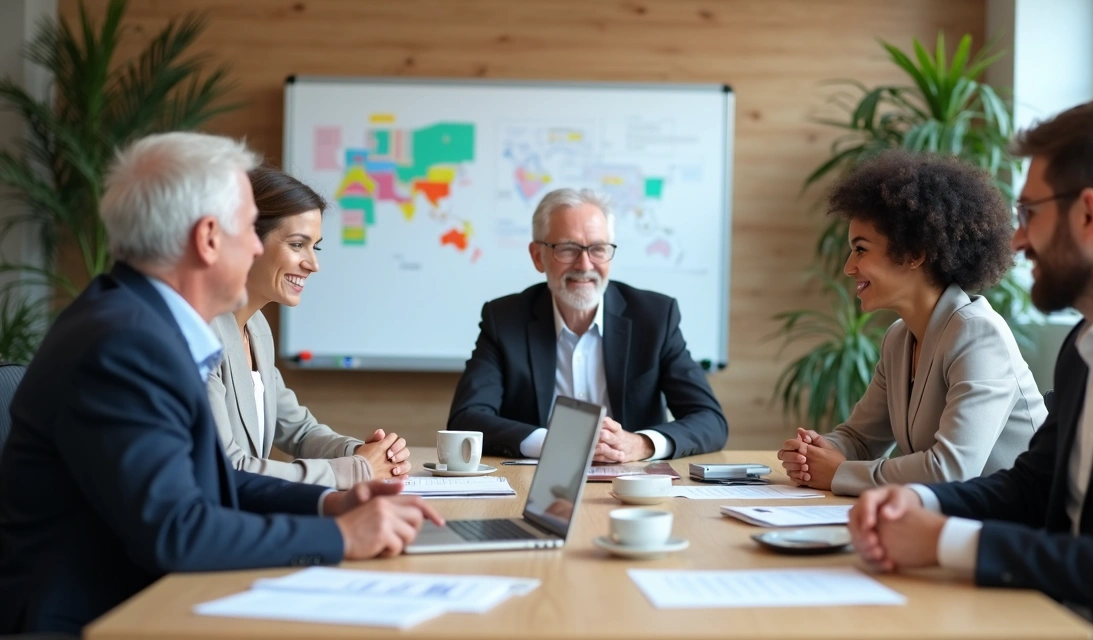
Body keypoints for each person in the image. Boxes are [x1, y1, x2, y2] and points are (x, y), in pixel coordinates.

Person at [0, 132, 444, 635]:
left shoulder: (142, 323)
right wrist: (341, 537)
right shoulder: (125, 344)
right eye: (251, 230)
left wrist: (329, 503)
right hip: (96, 617)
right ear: (209, 237)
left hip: (144, 596)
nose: (257, 246)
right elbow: (177, 530)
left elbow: (208, 479)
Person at [847, 96, 1093, 638]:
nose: (1016, 240)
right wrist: (918, 500)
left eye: (1029, 214)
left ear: (1089, 214)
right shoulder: (1086, 343)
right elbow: (1031, 488)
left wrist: (946, 541)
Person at [776, 150, 1045, 496]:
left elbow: (952, 471)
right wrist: (815, 452)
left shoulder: (978, 334)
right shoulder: (899, 339)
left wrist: (839, 473)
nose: (848, 267)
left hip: (1016, 526)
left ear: (915, 253)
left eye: (860, 249)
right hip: (956, 520)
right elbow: (860, 438)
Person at [448, 188, 728, 461]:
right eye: (567, 249)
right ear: (537, 256)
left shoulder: (654, 317)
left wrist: (640, 444)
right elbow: (466, 420)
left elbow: (710, 420)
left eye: (598, 249)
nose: (584, 264)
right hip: (535, 484)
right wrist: (558, 443)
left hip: (632, 487)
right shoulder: (505, 319)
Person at [208, 166, 409, 489]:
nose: (313, 265)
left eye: (314, 247)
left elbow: (298, 431)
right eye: (298, 244)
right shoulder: (202, 335)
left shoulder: (257, 329)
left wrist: (361, 451)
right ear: (248, 241)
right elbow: (229, 468)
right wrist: (357, 469)